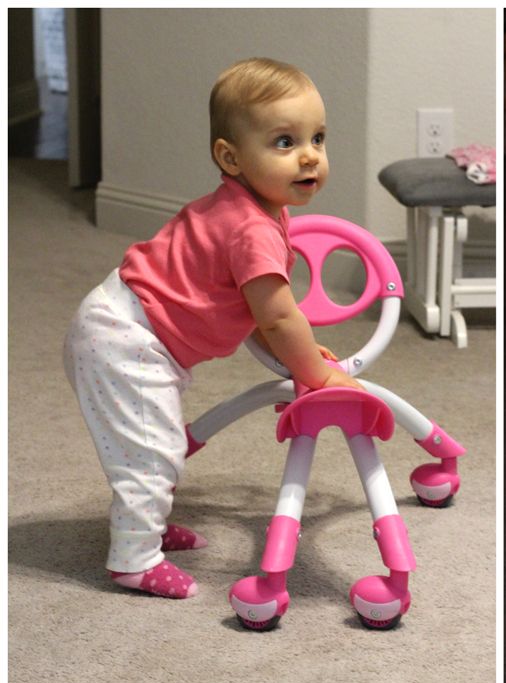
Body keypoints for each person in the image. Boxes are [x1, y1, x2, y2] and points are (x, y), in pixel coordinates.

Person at [63, 58, 361, 599]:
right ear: (230, 156)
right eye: (284, 142)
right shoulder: (253, 227)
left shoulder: (251, 208)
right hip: (126, 338)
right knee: (151, 451)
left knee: (157, 443)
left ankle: (144, 523)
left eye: (317, 137)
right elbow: (276, 313)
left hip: (122, 323)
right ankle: (134, 556)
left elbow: (246, 306)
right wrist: (316, 374)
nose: (310, 155)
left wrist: (288, 349)